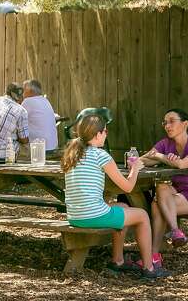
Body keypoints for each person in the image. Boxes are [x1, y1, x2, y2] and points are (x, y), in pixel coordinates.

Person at [62, 114, 169, 279]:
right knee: (142, 215)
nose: (106, 134)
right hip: (93, 216)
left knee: (123, 207)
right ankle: (149, 268)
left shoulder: (72, 155)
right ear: (97, 134)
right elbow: (127, 187)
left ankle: (117, 261)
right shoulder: (101, 156)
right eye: (105, 131)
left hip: (75, 216)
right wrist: (135, 169)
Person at [142, 108, 188, 262]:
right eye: (165, 122)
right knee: (162, 186)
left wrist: (159, 156)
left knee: (156, 204)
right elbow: (143, 159)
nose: (167, 125)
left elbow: (182, 164)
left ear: (184, 124)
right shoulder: (166, 143)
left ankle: (154, 256)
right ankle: (175, 231)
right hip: (175, 192)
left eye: (172, 121)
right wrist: (164, 158)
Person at [21, 79, 58, 151]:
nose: (22, 93)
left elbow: (16, 118)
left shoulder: (28, 101)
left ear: (30, 91)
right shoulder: (45, 100)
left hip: (39, 149)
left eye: (24, 90)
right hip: (53, 146)